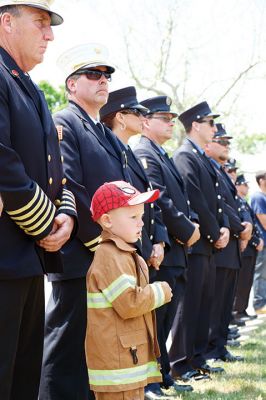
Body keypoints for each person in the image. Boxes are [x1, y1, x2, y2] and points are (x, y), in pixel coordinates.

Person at [39, 45, 139, 400]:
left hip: (102, 256)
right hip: (80, 254)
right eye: (93, 75)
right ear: (71, 85)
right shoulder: (65, 122)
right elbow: (70, 186)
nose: (103, 81)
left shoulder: (104, 132)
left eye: (106, 76)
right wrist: (104, 243)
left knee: (92, 348)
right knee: (66, 348)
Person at [0, 2, 76, 399]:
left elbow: (54, 170)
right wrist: (48, 224)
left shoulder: (26, 85)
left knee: (23, 377)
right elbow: (4, 163)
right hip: (6, 254)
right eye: (41, 24)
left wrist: (66, 216)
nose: (50, 35)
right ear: (7, 22)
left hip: (27, 254)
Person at [134, 95, 201, 398]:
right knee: (155, 319)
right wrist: (186, 229)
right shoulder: (144, 152)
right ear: (146, 121)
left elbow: (183, 200)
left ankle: (161, 375)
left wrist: (192, 225)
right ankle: (149, 382)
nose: (171, 123)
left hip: (175, 250)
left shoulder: (160, 153)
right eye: (164, 118)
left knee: (166, 317)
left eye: (172, 118)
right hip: (164, 249)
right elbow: (158, 198)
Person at [86, 180, 172, 400]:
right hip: (118, 366)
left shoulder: (123, 252)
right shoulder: (110, 255)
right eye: (133, 217)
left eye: (141, 217)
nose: (141, 223)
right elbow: (129, 303)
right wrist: (160, 291)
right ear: (107, 221)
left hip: (127, 359)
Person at [169, 102, 230, 381]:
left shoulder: (200, 157)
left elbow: (216, 202)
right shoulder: (185, 156)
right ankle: (180, 363)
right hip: (197, 243)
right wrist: (216, 233)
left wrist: (223, 229)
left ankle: (196, 358)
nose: (214, 129)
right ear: (195, 125)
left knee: (202, 304)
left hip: (207, 243)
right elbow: (196, 200)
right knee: (189, 305)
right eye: (210, 123)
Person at [100, 86, 169, 271]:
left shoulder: (130, 153)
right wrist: (146, 249)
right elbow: (121, 210)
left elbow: (150, 201)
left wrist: (159, 241)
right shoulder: (108, 152)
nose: (143, 118)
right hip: (129, 250)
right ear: (120, 117)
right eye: (137, 112)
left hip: (142, 251)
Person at [204, 124, 252, 362]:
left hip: (231, 247)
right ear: (208, 145)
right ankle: (212, 350)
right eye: (221, 142)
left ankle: (219, 347)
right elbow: (221, 206)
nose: (226, 146)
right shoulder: (210, 168)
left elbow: (237, 206)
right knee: (215, 305)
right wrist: (242, 227)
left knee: (224, 306)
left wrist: (247, 224)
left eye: (227, 143)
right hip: (221, 246)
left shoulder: (221, 172)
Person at [233, 174, 263, 320]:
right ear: (237, 185)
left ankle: (242, 309)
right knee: (241, 281)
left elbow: (252, 225)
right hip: (245, 246)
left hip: (250, 247)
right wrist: (255, 241)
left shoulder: (243, 202)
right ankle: (237, 311)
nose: (247, 187)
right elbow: (242, 226)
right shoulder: (235, 201)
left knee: (247, 280)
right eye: (244, 184)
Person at [251, 170, 266, 314]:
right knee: (260, 272)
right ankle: (259, 304)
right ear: (261, 180)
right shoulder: (257, 196)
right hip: (263, 241)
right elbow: (263, 220)